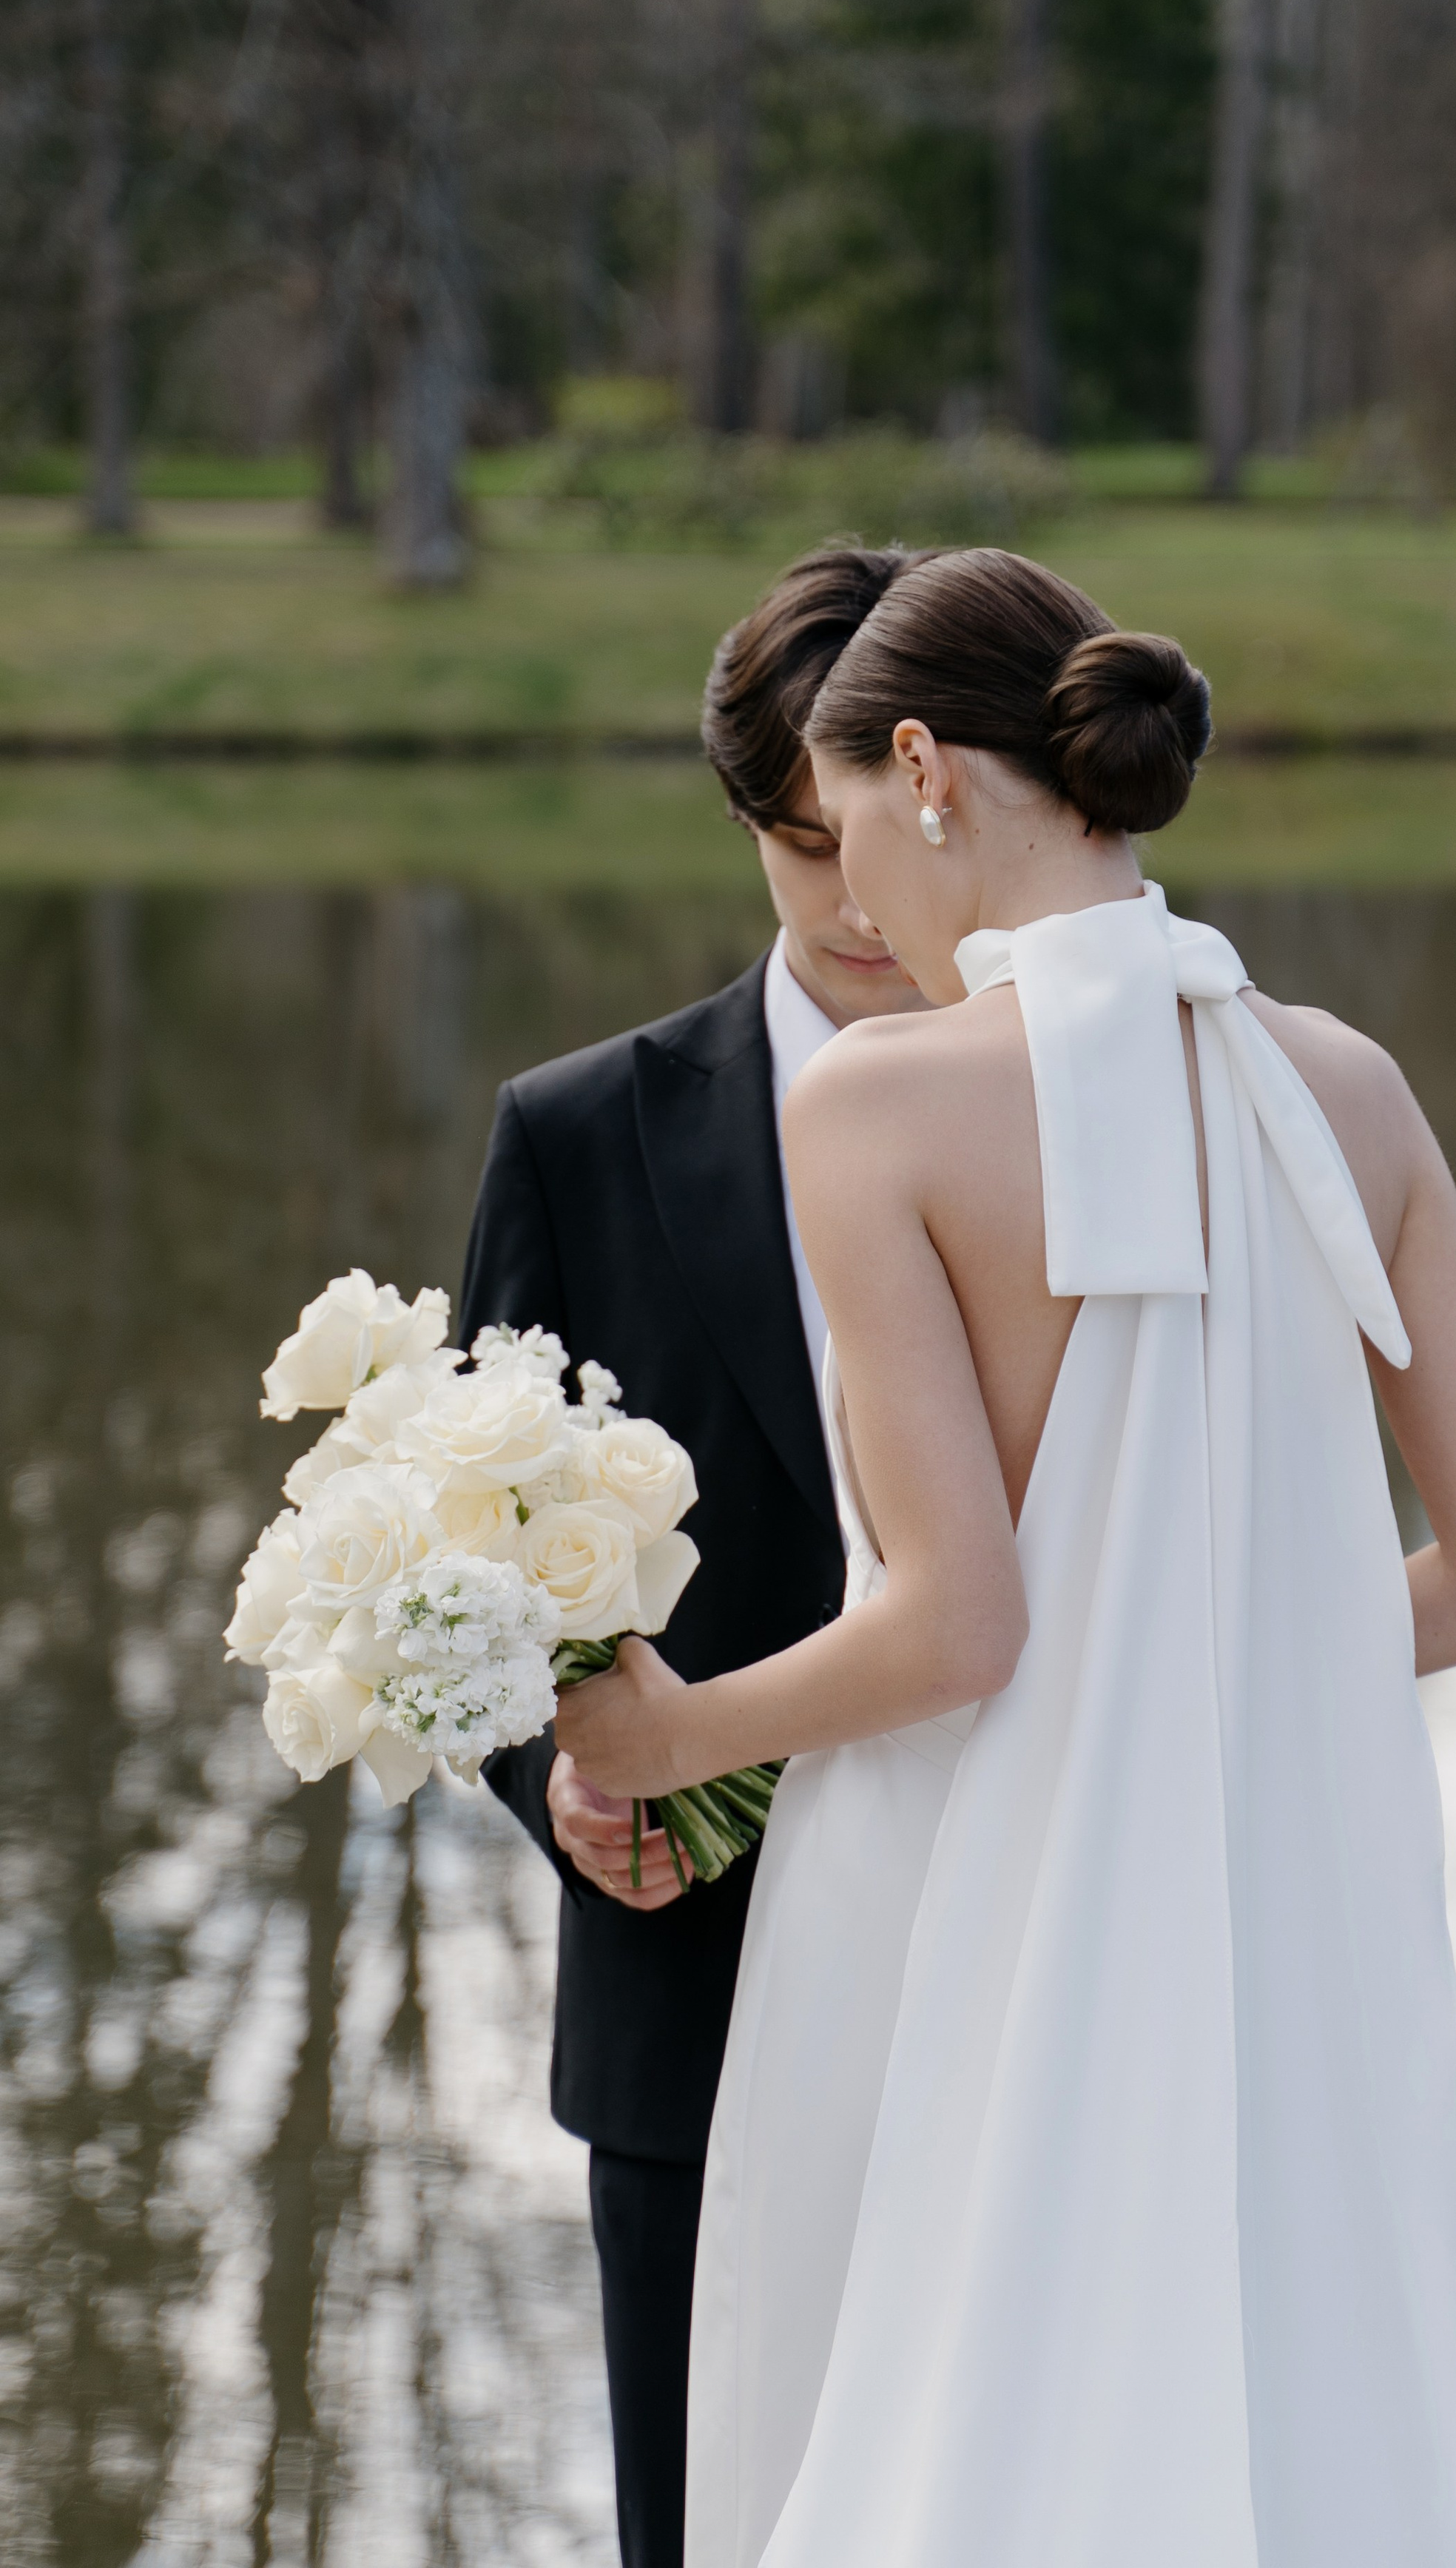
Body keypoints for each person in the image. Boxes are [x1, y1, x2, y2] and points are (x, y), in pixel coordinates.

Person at [559, 546, 1456, 2568]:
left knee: (911, 2445)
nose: (854, 906)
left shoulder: (877, 1111)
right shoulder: (1346, 1085)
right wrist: (1194, 1682)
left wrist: (672, 1737)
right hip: (1246, 1908)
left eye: (846, 829)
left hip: (935, 1908)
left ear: (924, 769)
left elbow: (960, 1625)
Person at [462, 542, 928, 2568]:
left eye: (883, 840)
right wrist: (563, 1787)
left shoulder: (1101, 1122)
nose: (854, 904)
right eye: (799, 846)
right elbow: (466, 1581)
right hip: (690, 1993)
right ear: (746, 819)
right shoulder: (579, 1135)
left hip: (1018, 1966)